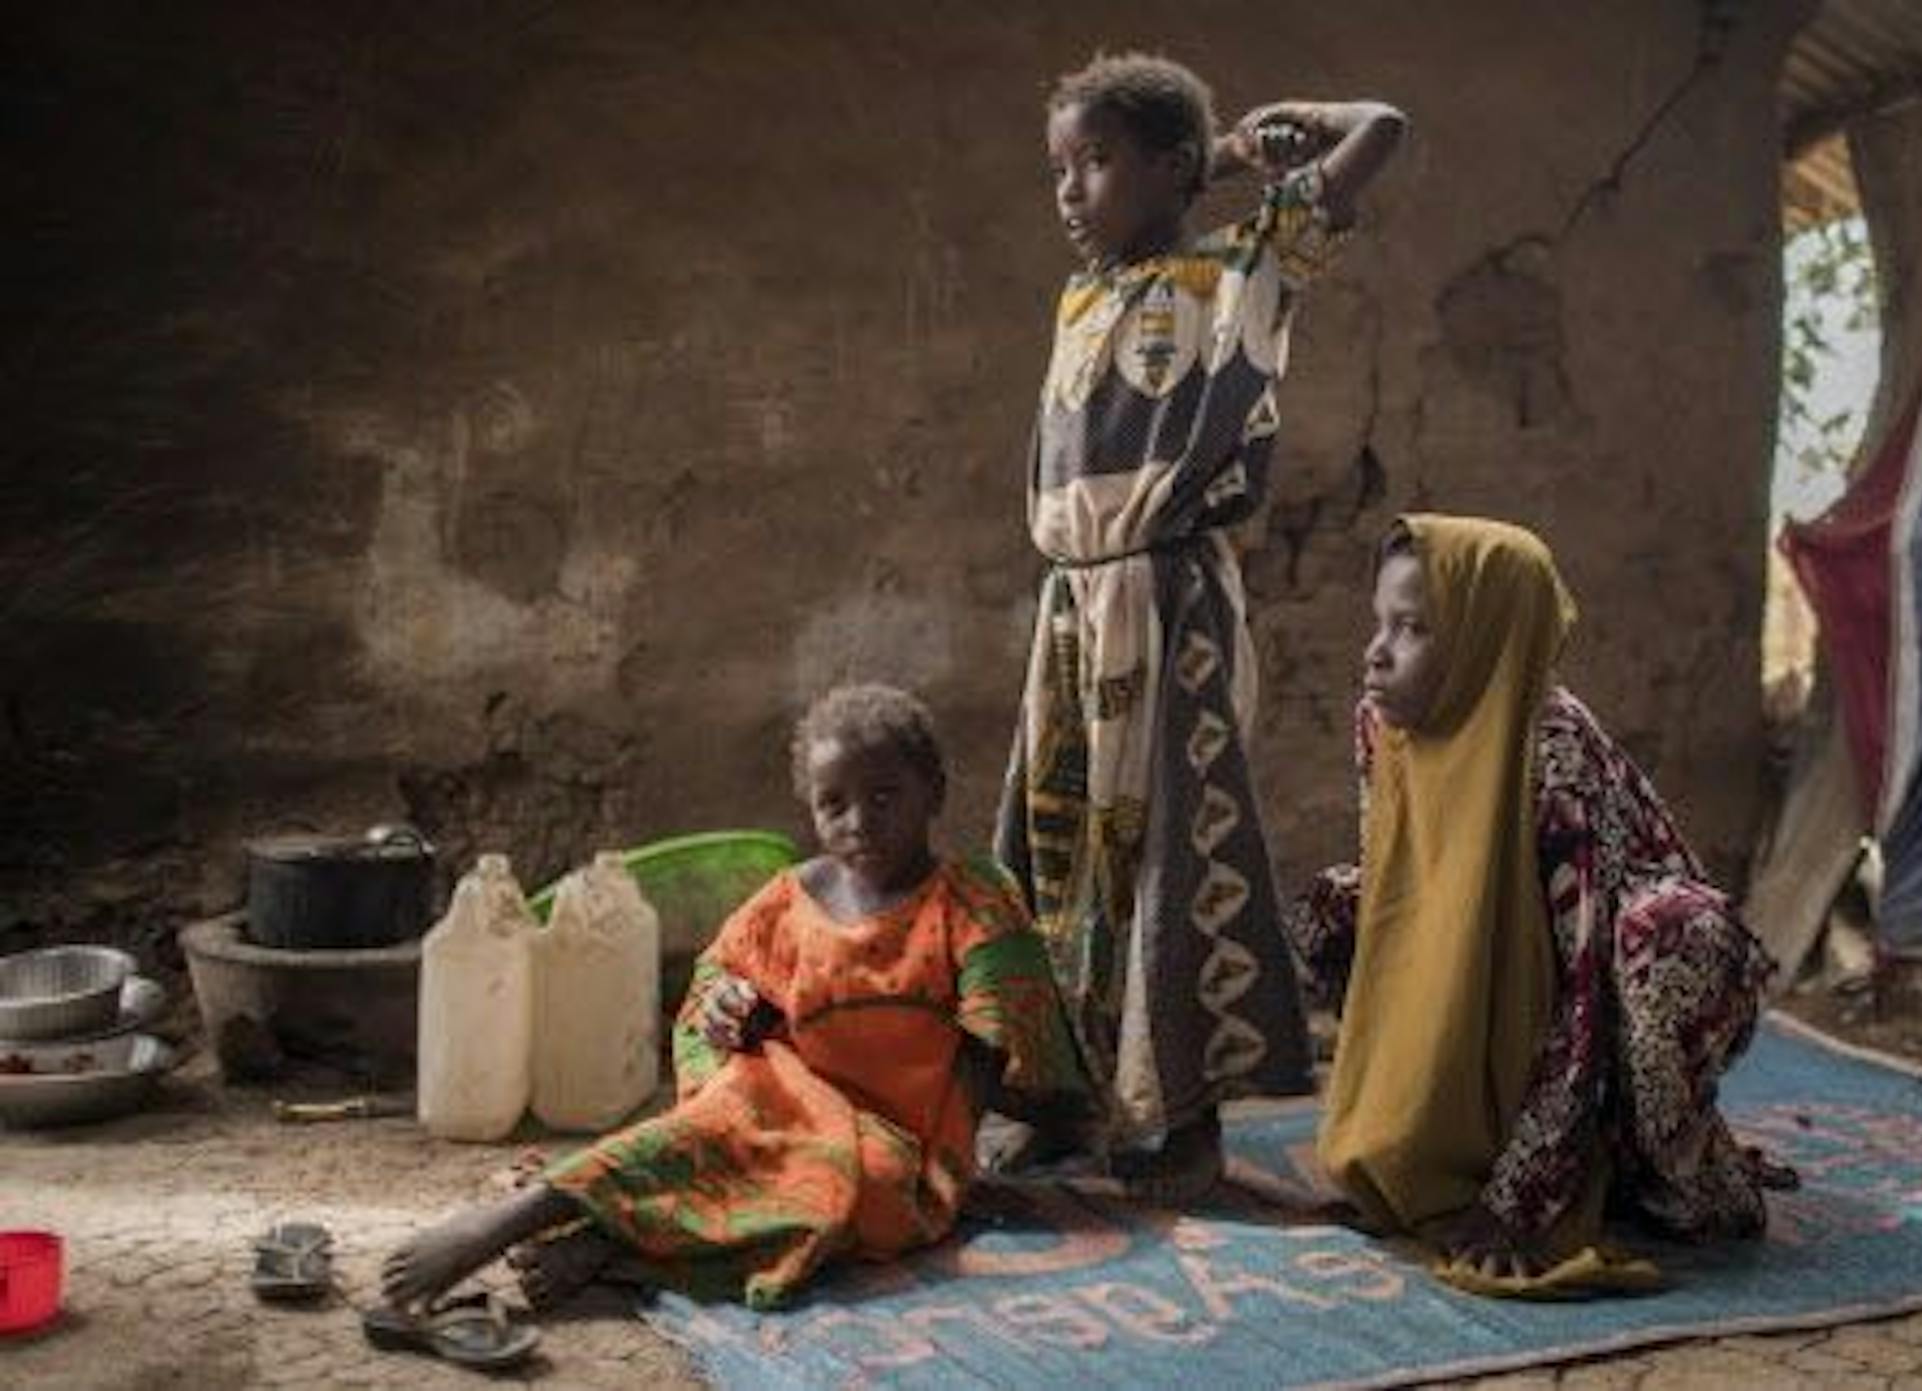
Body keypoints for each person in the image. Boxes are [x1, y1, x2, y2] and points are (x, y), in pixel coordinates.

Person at [994, 50, 1407, 1202]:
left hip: (1172, 601)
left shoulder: (1242, 271)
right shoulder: (1081, 297)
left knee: (1177, 847)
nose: (1071, 189)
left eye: (1098, 162)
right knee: (1063, 849)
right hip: (1073, 608)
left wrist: (1233, 150)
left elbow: (1379, 125)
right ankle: (1061, 1097)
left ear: (1171, 168)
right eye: (1060, 167)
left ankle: (1184, 1120)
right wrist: (1187, 163)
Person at [380, 684, 1086, 1335]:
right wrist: (728, 1014)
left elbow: (1005, 1039)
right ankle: (515, 1217)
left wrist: (953, 1161)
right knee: (704, 1131)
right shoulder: (789, 899)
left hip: (897, 1138)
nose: (859, 822)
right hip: (783, 1097)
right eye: (833, 803)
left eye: (884, 795)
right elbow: (714, 987)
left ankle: (612, 1247)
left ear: (934, 792)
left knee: (851, 1199)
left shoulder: (974, 900)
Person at [1297, 515, 1788, 1297]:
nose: (1377, 652)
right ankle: (1443, 1136)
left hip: (1611, 988)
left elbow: (1583, 985)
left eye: (1414, 628)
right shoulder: (1382, 723)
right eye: (1379, 621)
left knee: (1662, 937)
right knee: (1334, 905)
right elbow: (1405, 896)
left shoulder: (1551, 750)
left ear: (1487, 639)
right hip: (1488, 947)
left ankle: (1680, 1172)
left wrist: (1517, 1202)